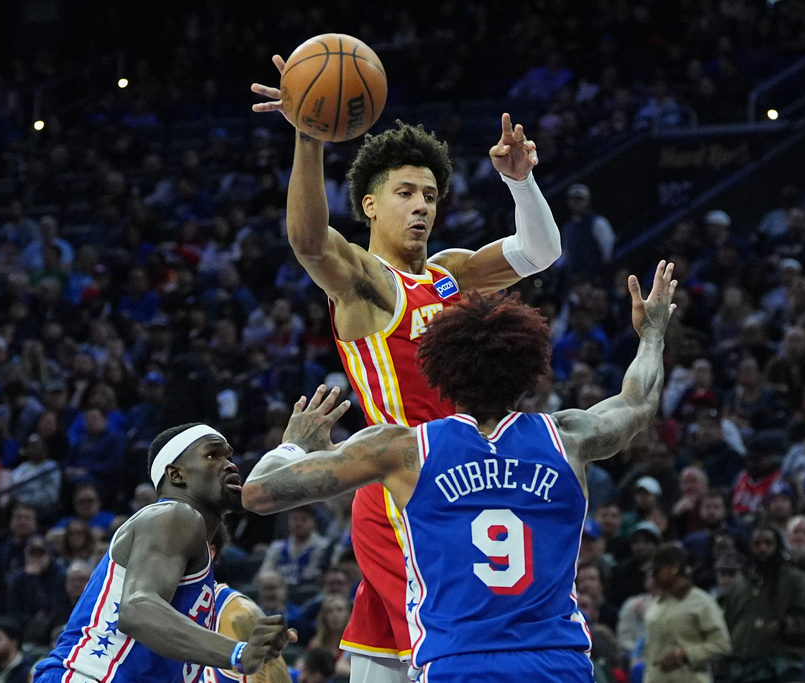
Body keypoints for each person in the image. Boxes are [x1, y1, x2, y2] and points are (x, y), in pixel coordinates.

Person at [252, 56, 563, 683]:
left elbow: (539, 252)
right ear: (368, 205)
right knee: (461, 656)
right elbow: (310, 242)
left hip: (469, 482)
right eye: (404, 193)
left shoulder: (450, 272)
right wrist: (309, 135)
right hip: (406, 488)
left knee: (391, 667)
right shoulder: (367, 283)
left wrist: (521, 182)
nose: (421, 206)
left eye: (429, 195)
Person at [241, 262, 677, 682]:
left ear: (442, 374)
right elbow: (637, 403)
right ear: (527, 372)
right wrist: (652, 335)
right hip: (556, 663)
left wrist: (294, 442)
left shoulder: (404, 449)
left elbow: (258, 493)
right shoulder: (568, 437)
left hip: (458, 664)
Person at [33, 423, 294, 683]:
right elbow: (137, 609)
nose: (230, 464)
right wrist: (237, 652)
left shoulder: (194, 557)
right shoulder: (175, 514)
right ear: (176, 474)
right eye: (213, 455)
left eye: (229, 456)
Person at [719, 526, 805, 683]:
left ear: (778, 547)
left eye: (768, 543)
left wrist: (784, 626)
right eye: (757, 544)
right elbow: (727, 625)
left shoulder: (794, 581)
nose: (763, 548)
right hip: (741, 670)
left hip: (781, 669)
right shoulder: (741, 586)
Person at [643, 543, 731, 683]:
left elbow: (721, 645)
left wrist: (684, 654)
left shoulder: (701, 602)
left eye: (657, 570)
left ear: (674, 568)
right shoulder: (657, 604)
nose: (653, 575)